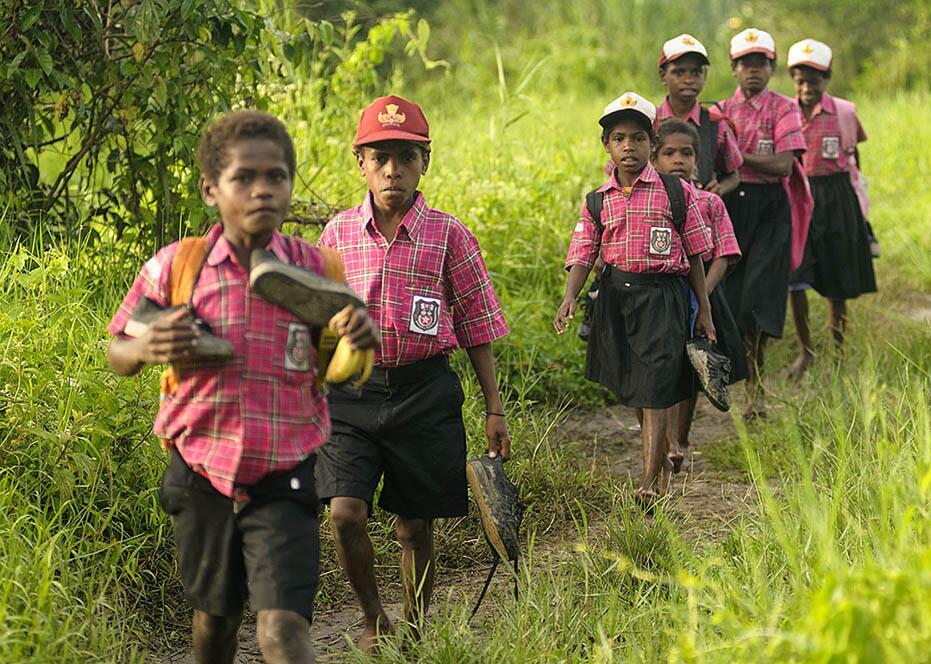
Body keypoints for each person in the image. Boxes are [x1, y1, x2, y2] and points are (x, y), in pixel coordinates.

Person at [107, 110, 375, 664]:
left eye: (276, 177)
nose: (262, 190)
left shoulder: (318, 268)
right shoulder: (178, 268)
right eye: (244, 178)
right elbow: (119, 350)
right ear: (210, 189)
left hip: (286, 472)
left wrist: (360, 333)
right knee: (217, 621)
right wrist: (143, 348)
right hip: (201, 469)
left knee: (283, 632)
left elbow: (346, 357)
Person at [315, 95, 511, 652]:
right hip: (350, 394)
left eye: (405, 157)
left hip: (424, 391)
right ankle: (374, 618)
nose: (391, 170)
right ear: (360, 162)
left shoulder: (450, 235)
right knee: (345, 514)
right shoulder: (336, 235)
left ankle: (418, 628)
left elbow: (477, 326)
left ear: (425, 160)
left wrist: (493, 408)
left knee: (413, 525)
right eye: (379, 158)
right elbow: (319, 321)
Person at [553, 92, 716, 501]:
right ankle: (659, 468)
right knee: (637, 388)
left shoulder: (674, 194)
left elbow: (696, 254)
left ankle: (648, 481)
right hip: (618, 301)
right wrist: (570, 296)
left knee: (657, 387)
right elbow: (584, 252)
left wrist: (705, 312)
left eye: (639, 138)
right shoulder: (598, 200)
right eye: (620, 138)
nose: (630, 146)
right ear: (607, 145)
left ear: (652, 145)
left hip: (664, 298)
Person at [716, 28, 808, 419]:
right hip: (732, 208)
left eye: (761, 64)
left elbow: (784, 164)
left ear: (771, 67)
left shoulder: (785, 108)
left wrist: (739, 155)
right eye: (745, 64)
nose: (753, 71)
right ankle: (738, 381)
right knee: (732, 299)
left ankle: (757, 392)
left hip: (771, 207)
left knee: (757, 298)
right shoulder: (720, 111)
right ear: (734, 68)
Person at [652, 118, 747, 480]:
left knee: (693, 367)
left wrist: (701, 292)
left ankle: (681, 440)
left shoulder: (709, 202)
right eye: (669, 153)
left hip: (702, 291)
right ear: (655, 158)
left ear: (698, 159)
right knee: (661, 368)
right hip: (660, 294)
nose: (678, 159)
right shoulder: (649, 200)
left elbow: (725, 251)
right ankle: (659, 444)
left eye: (686, 153)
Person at [784, 39, 878, 379]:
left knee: (837, 275)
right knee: (796, 278)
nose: (808, 87)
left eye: (815, 80)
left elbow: (854, 156)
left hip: (836, 194)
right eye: (801, 80)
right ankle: (806, 352)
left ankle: (838, 350)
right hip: (799, 196)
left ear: (828, 78)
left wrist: (859, 205)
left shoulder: (845, 111)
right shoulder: (785, 112)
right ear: (792, 80)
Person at [655, 33, 743, 196]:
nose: (688, 80)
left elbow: (734, 174)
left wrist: (718, 190)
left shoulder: (716, 124)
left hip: (700, 214)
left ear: (705, 76)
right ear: (663, 75)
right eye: (679, 73)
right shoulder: (649, 122)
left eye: (696, 73)